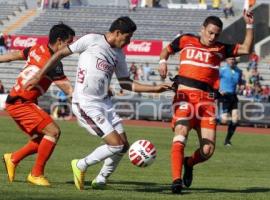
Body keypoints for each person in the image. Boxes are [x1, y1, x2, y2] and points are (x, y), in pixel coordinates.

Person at [24, 16, 171, 190]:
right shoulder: (92, 40)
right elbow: (60, 53)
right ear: (117, 33)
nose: (129, 42)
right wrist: (39, 75)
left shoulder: (119, 54)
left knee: (123, 146)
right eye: (128, 37)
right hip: (86, 104)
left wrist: (155, 89)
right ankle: (81, 165)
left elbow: (126, 83)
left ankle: (101, 179)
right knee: (115, 145)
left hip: (105, 104)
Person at [158, 12, 254, 194]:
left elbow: (247, 48)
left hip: (207, 104)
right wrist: (163, 61)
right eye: (210, 32)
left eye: (217, 34)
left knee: (208, 150)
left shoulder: (220, 49)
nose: (212, 37)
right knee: (180, 135)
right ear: (202, 29)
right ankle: (176, 181)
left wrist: (249, 25)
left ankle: (189, 162)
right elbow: (167, 50)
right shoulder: (185, 39)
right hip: (185, 98)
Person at [1, 23, 75, 186]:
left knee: (42, 138)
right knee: (53, 132)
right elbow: (68, 89)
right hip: (21, 102)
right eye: (69, 43)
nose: (71, 48)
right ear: (59, 41)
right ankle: (36, 174)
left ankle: (13, 158)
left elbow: (13, 56)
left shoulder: (36, 48)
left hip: (18, 100)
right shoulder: (54, 62)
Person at [219, 57, 242, 146]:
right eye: (230, 59)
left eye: (233, 59)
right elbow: (214, 80)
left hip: (233, 96)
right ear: (226, 60)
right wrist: (219, 90)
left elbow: (239, 82)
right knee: (224, 120)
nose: (232, 61)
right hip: (223, 96)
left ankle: (227, 141)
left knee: (235, 120)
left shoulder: (239, 71)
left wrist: (241, 86)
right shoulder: (222, 70)